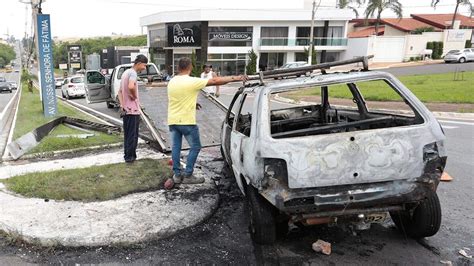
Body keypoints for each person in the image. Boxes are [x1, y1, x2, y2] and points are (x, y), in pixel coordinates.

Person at [168, 57, 247, 184]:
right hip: (186, 122)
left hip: (172, 121)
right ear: (190, 67)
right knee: (196, 146)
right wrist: (236, 78)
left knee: (176, 147)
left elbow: (179, 98)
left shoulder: (172, 81)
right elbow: (215, 80)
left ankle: (177, 175)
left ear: (178, 68)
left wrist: (193, 104)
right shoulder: (191, 81)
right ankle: (188, 175)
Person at [117, 54, 148, 163]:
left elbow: (120, 92)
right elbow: (131, 86)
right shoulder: (133, 73)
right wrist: (134, 96)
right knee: (133, 136)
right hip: (132, 110)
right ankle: (130, 158)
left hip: (126, 110)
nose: (144, 68)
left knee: (127, 135)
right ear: (139, 63)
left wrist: (122, 105)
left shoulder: (125, 73)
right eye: (144, 65)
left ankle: (128, 156)